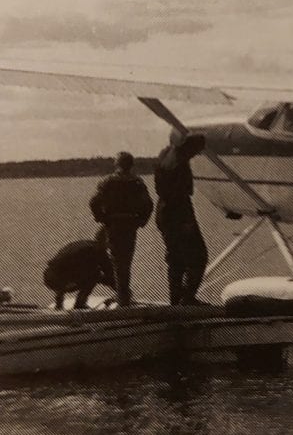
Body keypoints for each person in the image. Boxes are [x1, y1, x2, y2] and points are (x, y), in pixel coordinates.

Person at [89, 151, 153, 307]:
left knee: (116, 260)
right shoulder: (137, 182)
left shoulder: (107, 182)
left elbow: (93, 202)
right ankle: (122, 294)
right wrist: (141, 221)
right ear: (131, 165)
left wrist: (101, 217)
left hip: (114, 224)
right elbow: (148, 205)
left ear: (116, 164)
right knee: (125, 261)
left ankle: (122, 296)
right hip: (130, 224)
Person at [154, 131, 209, 305]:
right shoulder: (179, 163)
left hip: (164, 212)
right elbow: (183, 192)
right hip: (180, 213)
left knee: (175, 258)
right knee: (199, 257)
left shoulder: (164, 156)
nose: (195, 154)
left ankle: (176, 299)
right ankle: (187, 297)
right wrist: (186, 222)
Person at [43, 227, 115, 310]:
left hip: (49, 277)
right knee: (95, 274)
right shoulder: (99, 250)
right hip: (60, 280)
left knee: (75, 271)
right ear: (108, 241)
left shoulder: (85, 245)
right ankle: (80, 304)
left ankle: (59, 305)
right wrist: (122, 292)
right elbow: (110, 275)